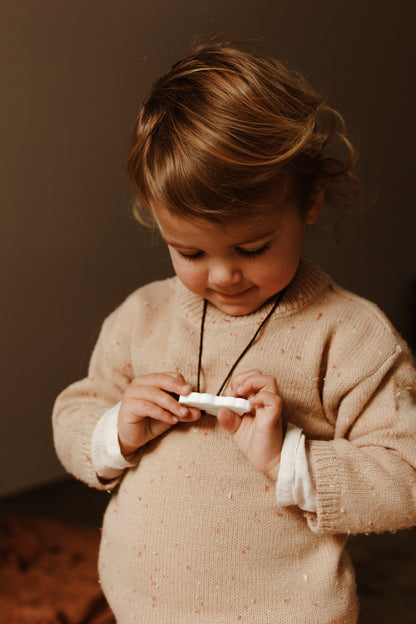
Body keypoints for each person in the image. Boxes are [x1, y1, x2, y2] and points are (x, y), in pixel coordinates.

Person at [52, 41, 416, 623]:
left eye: (251, 247)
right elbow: (73, 412)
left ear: (311, 201)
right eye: (189, 251)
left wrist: (288, 460)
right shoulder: (142, 316)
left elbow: (407, 475)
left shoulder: (350, 336)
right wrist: (113, 429)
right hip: (142, 607)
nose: (223, 275)